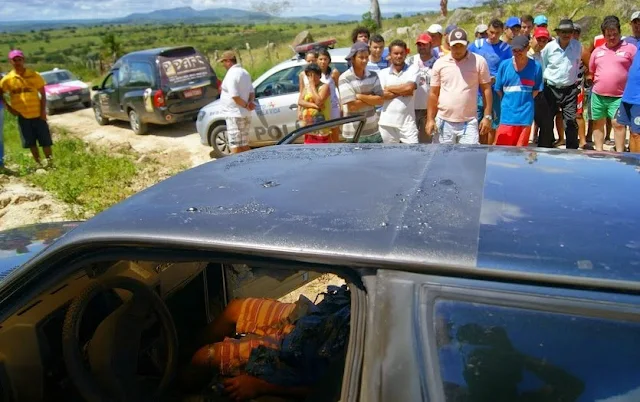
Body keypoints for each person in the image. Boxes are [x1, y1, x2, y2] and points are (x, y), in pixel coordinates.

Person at [185, 285, 351, 400]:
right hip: (317, 319)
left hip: (301, 361)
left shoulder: (358, 360)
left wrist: (260, 386)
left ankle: (179, 387)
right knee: (234, 310)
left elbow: (326, 390)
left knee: (204, 357)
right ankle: (182, 355)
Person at [426, 28, 493, 144]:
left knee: (468, 155)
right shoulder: (440, 63)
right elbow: (433, 93)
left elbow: (486, 89)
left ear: (467, 44)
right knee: (442, 154)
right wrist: (430, 119)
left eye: (461, 46)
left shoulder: (479, 61)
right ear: (449, 45)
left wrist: (487, 116)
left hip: (469, 122)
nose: (458, 49)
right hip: (444, 121)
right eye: (454, 46)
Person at [589, 17, 637, 152]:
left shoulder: (630, 49)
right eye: (608, 35)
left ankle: (619, 154)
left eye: (615, 34)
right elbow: (592, 70)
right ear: (603, 35)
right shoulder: (597, 51)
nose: (612, 37)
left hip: (619, 96)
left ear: (620, 32)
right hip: (598, 95)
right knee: (598, 123)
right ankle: (599, 151)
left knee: (618, 124)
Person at [0, 50, 53, 167]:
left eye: (19, 59)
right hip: (23, 116)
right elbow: (1, 92)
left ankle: (50, 163)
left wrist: (43, 111)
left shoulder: (34, 75)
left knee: (45, 141)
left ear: (23, 60)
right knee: (31, 142)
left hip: (38, 114)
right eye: (14, 60)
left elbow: (43, 93)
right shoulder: (8, 79)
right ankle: (39, 164)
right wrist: (8, 107)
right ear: (10, 62)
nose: (17, 62)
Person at [468, 18, 513, 145]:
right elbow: (467, 62)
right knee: (476, 122)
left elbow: (507, 68)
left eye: (497, 33)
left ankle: (489, 149)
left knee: (493, 123)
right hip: (477, 91)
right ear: (487, 30)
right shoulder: (476, 45)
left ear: (502, 32)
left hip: (495, 91)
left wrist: (496, 78)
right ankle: (479, 148)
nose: (493, 36)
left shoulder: (505, 49)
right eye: (492, 32)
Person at [540, 19, 583, 149]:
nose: (566, 35)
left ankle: (572, 152)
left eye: (569, 32)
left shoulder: (578, 46)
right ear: (558, 33)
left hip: (570, 90)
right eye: (563, 32)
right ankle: (544, 150)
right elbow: (543, 65)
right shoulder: (549, 47)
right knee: (547, 122)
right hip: (551, 89)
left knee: (570, 122)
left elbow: (581, 63)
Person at [494, 36, 544, 146]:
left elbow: (536, 90)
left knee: (521, 151)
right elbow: (499, 90)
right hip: (507, 116)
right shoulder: (504, 65)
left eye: (520, 50)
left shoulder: (536, 67)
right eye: (514, 50)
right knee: (502, 150)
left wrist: (524, 101)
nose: (517, 53)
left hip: (525, 116)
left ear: (527, 48)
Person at [338, 41, 385, 143]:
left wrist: (359, 96)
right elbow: (352, 106)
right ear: (353, 59)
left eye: (366, 57)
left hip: (373, 131)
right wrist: (371, 98)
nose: (364, 60)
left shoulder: (373, 75)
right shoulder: (344, 78)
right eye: (361, 57)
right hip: (354, 134)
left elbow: (381, 100)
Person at [378, 40, 419, 144]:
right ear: (390, 55)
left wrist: (388, 88)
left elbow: (409, 88)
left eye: (401, 53)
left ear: (406, 54)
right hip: (387, 124)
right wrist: (403, 90)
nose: (399, 56)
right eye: (396, 53)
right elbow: (382, 95)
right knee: (389, 154)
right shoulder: (382, 73)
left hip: (408, 124)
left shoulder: (413, 70)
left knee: (413, 153)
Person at [217, 50, 255, 154]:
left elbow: (234, 95)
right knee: (244, 144)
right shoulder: (245, 72)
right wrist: (250, 103)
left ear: (228, 61)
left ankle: (236, 164)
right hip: (245, 113)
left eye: (224, 62)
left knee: (235, 145)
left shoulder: (231, 74)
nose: (223, 65)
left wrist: (246, 105)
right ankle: (252, 161)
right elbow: (252, 92)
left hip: (234, 114)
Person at [528, 27, 555, 145]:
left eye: (544, 41)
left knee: (546, 123)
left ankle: (543, 148)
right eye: (539, 40)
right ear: (532, 38)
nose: (541, 43)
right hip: (527, 92)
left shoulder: (545, 54)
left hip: (541, 91)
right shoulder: (525, 54)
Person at [410, 33, 437, 143]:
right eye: (419, 45)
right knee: (410, 142)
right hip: (410, 108)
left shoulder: (437, 63)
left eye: (424, 44)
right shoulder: (410, 61)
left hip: (428, 110)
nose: (421, 47)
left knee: (426, 142)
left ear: (431, 45)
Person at [297, 63, 332, 144]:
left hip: (321, 127)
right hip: (308, 127)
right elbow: (300, 101)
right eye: (309, 76)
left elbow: (319, 102)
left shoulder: (324, 87)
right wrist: (314, 106)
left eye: (314, 75)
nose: (311, 79)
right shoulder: (306, 87)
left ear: (319, 75)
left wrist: (312, 87)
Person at [617, 39, 640, 152]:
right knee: (632, 131)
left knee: (637, 133)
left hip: (638, 99)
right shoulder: (637, 44)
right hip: (628, 95)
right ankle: (632, 160)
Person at [317, 48, 342, 142]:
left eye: (325, 59)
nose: (323, 62)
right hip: (321, 108)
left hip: (333, 106)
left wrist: (342, 105)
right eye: (320, 59)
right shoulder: (315, 74)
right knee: (323, 134)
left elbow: (340, 89)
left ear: (329, 60)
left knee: (335, 133)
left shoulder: (334, 73)